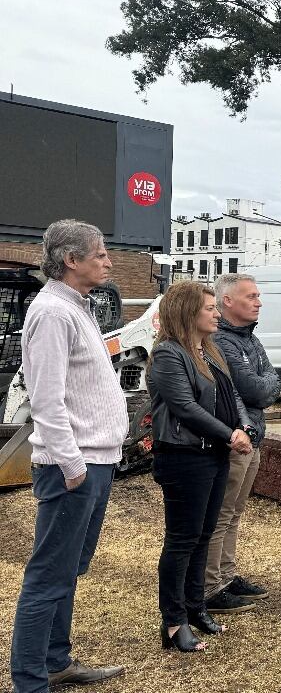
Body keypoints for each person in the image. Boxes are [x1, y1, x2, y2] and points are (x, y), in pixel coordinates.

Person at [10, 220, 129, 692]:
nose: (108, 260)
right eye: (99, 254)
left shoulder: (75, 308)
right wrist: (72, 463)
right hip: (73, 468)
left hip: (93, 461)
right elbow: (46, 399)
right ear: (70, 261)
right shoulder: (54, 313)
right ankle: (30, 681)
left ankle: (55, 662)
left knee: (67, 570)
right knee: (48, 576)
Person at [148, 281, 254, 653]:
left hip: (212, 456)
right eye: (209, 308)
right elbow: (185, 408)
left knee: (203, 535)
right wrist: (231, 435)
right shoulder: (168, 355)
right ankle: (173, 621)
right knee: (182, 540)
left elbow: (231, 395)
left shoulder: (207, 351)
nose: (215, 313)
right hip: (183, 457)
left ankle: (196, 608)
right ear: (187, 312)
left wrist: (242, 427)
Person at [205, 273, 281, 615]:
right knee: (221, 514)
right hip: (235, 440)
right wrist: (267, 386)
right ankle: (211, 587)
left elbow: (271, 380)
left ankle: (227, 575)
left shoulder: (249, 339)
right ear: (227, 302)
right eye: (250, 296)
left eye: (258, 295)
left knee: (234, 513)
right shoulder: (221, 341)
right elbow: (254, 389)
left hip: (254, 438)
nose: (258, 302)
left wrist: (266, 385)